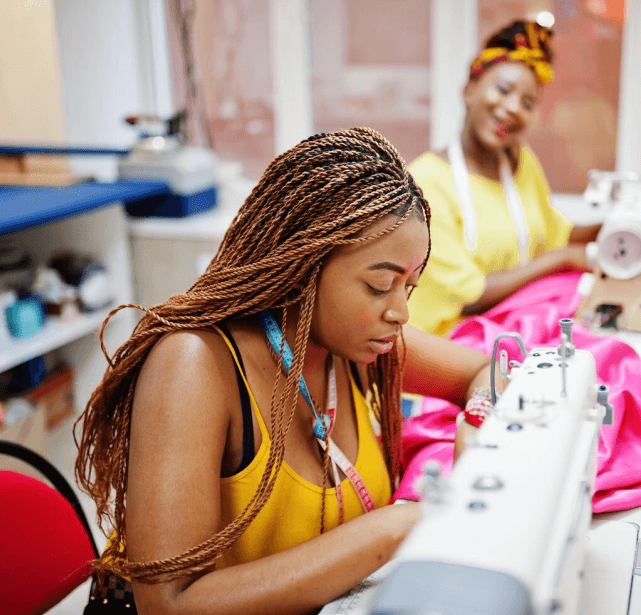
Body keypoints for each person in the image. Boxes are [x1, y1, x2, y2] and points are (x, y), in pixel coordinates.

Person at [75, 127, 495, 615]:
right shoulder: (196, 365)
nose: (401, 311)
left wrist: (479, 425)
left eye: (411, 287)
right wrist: (393, 530)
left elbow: (483, 370)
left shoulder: (355, 342)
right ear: (304, 262)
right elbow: (169, 605)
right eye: (380, 285)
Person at [407, 20, 601, 337]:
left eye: (527, 103)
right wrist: (563, 260)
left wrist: (611, 227)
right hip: (453, 350)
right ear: (470, 90)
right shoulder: (426, 183)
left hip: (517, 331)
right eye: (504, 90)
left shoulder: (522, 164)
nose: (512, 108)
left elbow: (556, 234)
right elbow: (469, 297)